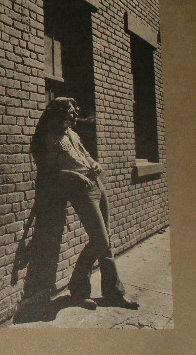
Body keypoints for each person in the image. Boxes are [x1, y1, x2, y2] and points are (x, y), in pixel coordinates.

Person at [30, 97, 138, 310]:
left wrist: (94, 164)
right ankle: (83, 290)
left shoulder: (72, 134)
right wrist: (75, 175)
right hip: (80, 191)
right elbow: (50, 172)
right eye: (70, 112)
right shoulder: (49, 138)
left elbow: (85, 155)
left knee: (105, 240)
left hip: (97, 185)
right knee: (101, 241)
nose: (74, 115)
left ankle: (108, 292)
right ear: (59, 114)